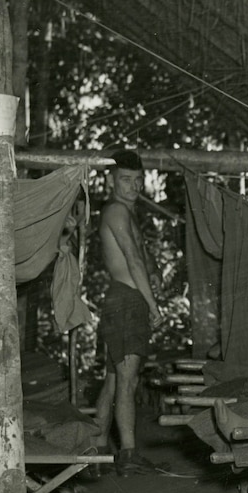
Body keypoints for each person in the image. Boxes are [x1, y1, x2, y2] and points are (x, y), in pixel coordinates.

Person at [92, 149, 162, 476]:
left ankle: (98, 451)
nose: (133, 187)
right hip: (127, 304)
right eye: (125, 180)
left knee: (112, 382)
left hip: (119, 302)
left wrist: (155, 276)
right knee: (127, 381)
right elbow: (133, 260)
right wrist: (152, 305)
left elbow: (141, 260)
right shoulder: (117, 212)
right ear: (111, 180)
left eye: (137, 180)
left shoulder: (125, 213)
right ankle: (129, 455)